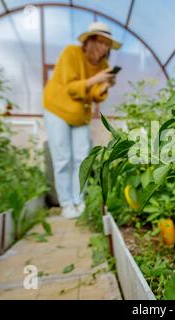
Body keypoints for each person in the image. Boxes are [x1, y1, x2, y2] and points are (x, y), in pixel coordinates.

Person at [43, 22, 122, 219]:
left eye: (107, 45)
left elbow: (95, 95)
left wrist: (106, 84)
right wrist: (97, 79)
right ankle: (66, 203)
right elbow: (71, 87)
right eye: (101, 42)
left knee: (82, 159)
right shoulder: (71, 53)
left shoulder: (103, 66)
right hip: (57, 110)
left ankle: (79, 200)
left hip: (80, 115)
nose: (103, 48)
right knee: (63, 158)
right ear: (89, 41)